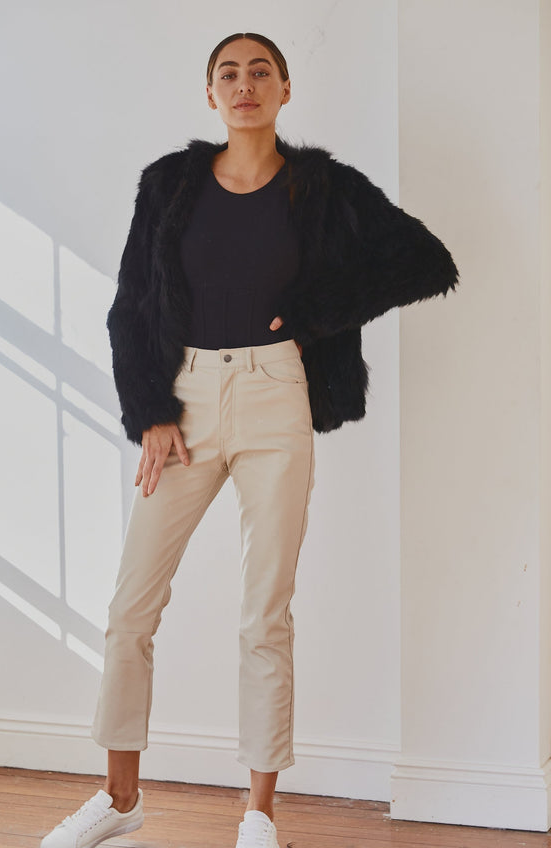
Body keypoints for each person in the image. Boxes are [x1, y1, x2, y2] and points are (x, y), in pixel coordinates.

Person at [40, 31, 458, 848]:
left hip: (276, 395)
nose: (244, 84)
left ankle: (260, 814)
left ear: (284, 90)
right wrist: (150, 409)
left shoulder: (324, 187)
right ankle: (119, 799)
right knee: (131, 609)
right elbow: (132, 304)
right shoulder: (169, 185)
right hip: (186, 400)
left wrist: (313, 315)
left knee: (265, 613)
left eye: (260, 71)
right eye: (228, 73)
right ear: (211, 95)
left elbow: (425, 260)